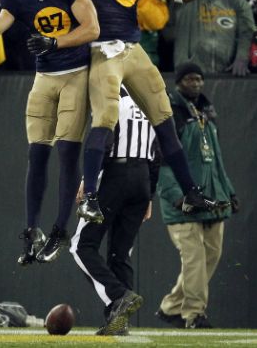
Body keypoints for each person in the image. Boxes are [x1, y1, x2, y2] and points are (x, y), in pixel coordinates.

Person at [73, 0, 227, 243]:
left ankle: (191, 191)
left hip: (132, 47)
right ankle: (90, 195)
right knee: (106, 117)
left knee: (163, 115)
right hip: (101, 49)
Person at [0, 0, 100, 266]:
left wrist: (54, 42)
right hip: (44, 77)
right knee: (37, 152)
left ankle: (59, 230)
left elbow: (92, 28)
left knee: (68, 151)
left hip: (75, 73)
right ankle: (31, 230)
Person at [154, 62, 239, 329]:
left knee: (210, 256)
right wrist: (176, 196)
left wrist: (229, 191)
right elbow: (160, 160)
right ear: (178, 82)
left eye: (199, 79)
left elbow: (215, 160)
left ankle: (171, 307)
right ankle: (193, 314)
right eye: (190, 79)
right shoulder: (170, 112)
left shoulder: (204, 111)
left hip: (212, 198)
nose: (196, 83)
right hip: (183, 203)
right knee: (194, 259)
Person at [70, 85, 158, 336]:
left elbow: (102, 144)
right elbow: (158, 155)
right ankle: (119, 321)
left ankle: (118, 296)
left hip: (116, 176)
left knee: (80, 245)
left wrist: (88, 181)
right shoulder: (148, 104)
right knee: (120, 253)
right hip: (142, 179)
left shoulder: (110, 99)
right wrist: (149, 194)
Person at [173, 0, 255, 75]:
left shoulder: (236, 0)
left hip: (225, 73)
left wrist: (241, 56)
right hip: (190, 73)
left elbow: (247, 30)